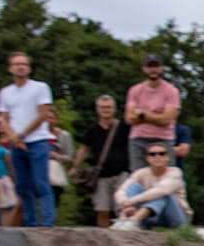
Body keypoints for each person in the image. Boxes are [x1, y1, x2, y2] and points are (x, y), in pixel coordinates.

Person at [0, 51, 58, 227]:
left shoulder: (40, 88)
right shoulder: (5, 92)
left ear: (29, 68)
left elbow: (43, 114)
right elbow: (3, 117)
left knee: (41, 183)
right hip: (16, 143)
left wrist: (22, 135)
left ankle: (47, 222)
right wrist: (13, 137)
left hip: (37, 141)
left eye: (24, 64)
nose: (21, 67)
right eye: (17, 64)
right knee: (22, 186)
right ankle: (29, 222)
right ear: (10, 68)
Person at [71, 95, 131, 228]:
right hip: (102, 176)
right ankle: (104, 237)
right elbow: (84, 148)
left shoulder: (124, 127)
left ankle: (123, 234)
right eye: (103, 107)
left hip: (122, 173)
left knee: (122, 207)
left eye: (108, 107)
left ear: (114, 109)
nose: (106, 110)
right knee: (102, 209)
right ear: (97, 109)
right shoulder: (93, 130)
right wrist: (75, 166)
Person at [124, 53, 182, 172]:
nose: (153, 69)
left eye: (156, 66)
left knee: (166, 177)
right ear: (144, 68)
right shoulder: (134, 90)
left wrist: (142, 115)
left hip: (164, 140)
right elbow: (129, 118)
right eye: (149, 66)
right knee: (137, 177)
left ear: (161, 68)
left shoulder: (171, 91)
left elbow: (166, 119)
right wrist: (157, 115)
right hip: (138, 140)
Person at [112, 142, 190, 230]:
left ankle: (134, 220)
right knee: (134, 186)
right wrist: (124, 201)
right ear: (147, 158)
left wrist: (131, 201)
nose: (157, 157)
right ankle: (123, 220)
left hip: (176, 219)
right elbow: (122, 190)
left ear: (167, 157)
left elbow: (161, 191)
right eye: (152, 154)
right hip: (151, 217)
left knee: (162, 194)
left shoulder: (175, 172)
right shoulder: (140, 173)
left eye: (162, 154)